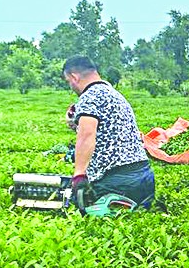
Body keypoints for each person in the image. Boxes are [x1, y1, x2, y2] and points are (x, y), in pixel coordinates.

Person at [62, 56, 155, 213]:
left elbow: (87, 135)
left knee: (73, 201)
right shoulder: (114, 94)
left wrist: (79, 174)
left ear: (74, 77)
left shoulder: (89, 96)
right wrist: (75, 123)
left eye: (68, 81)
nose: (70, 85)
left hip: (118, 182)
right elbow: (107, 131)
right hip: (144, 181)